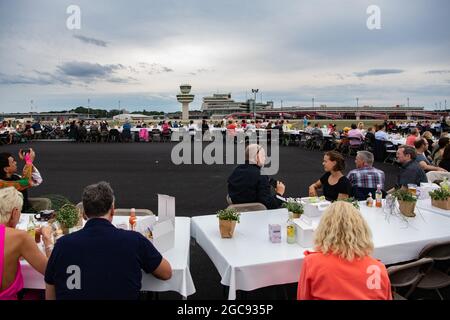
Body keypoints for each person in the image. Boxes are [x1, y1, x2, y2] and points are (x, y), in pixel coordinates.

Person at [45, 181, 172, 300]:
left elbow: (50, 294)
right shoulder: (134, 240)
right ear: (112, 211)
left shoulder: (62, 245)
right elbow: (166, 273)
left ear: (83, 214)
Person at [297, 201, 392, 300]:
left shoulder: (312, 263)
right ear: (361, 230)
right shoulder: (378, 269)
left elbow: (302, 297)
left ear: (324, 229)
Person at [0, 187, 53, 300]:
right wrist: (48, 240)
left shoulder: (19, 237)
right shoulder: (20, 238)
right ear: (14, 212)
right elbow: (51, 272)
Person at [227, 144, 285, 209]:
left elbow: (248, 181)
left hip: (236, 212)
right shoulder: (261, 175)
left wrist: (269, 181)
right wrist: (279, 194)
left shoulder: (236, 171)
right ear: (257, 157)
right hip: (255, 213)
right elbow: (270, 204)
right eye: (263, 156)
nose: (265, 159)